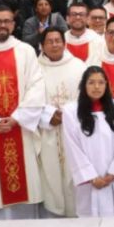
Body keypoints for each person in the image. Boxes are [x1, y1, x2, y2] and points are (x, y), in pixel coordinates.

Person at [0, 5, 46, 219]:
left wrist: (17, 118)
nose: (2, 25)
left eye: (7, 21)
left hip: (20, 128)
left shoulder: (25, 51)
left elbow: (36, 86)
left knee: (24, 181)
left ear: (14, 24)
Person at [61, 66, 114, 217]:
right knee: (90, 222)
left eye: (101, 82)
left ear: (106, 85)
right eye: (91, 82)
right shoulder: (71, 111)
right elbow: (72, 146)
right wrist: (90, 176)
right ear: (83, 85)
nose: (96, 87)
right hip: (89, 181)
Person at [36, 27, 88, 217]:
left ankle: (77, 211)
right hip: (47, 131)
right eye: (49, 41)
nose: (54, 44)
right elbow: (28, 99)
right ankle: (53, 213)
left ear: (64, 43)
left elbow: (87, 96)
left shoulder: (79, 66)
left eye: (58, 40)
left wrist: (68, 114)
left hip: (72, 130)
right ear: (42, 46)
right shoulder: (34, 68)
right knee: (49, 173)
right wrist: (48, 115)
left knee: (73, 171)